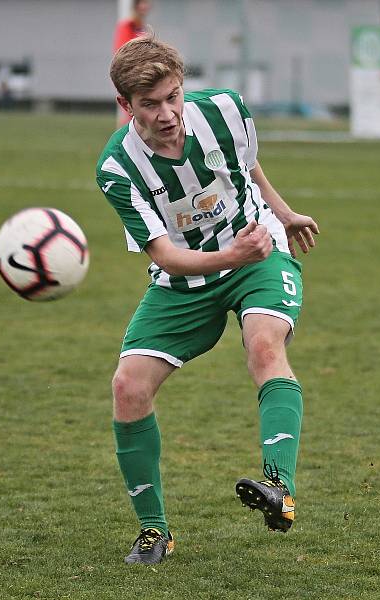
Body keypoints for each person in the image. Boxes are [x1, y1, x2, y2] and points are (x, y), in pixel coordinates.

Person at [95, 36, 320, 566]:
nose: (168, 113)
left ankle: (278, 487)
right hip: (188, 276)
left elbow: (247, 167)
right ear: (125, 106)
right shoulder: (117, 169)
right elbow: (168, 257)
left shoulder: (225, 109)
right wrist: (230, 257)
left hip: (258, 251)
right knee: (128, 387)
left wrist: (282, 215)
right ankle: (154, 532)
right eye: (150, 105)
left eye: (173, 97)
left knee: (265, 347)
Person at [113, 0, 152, 126]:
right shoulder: (127, 26)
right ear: (136, 6)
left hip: (142, 76)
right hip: (131, 76)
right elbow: (122, 51)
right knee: (132, 111)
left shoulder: (142, 28)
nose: (146, 6)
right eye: (143, 3)